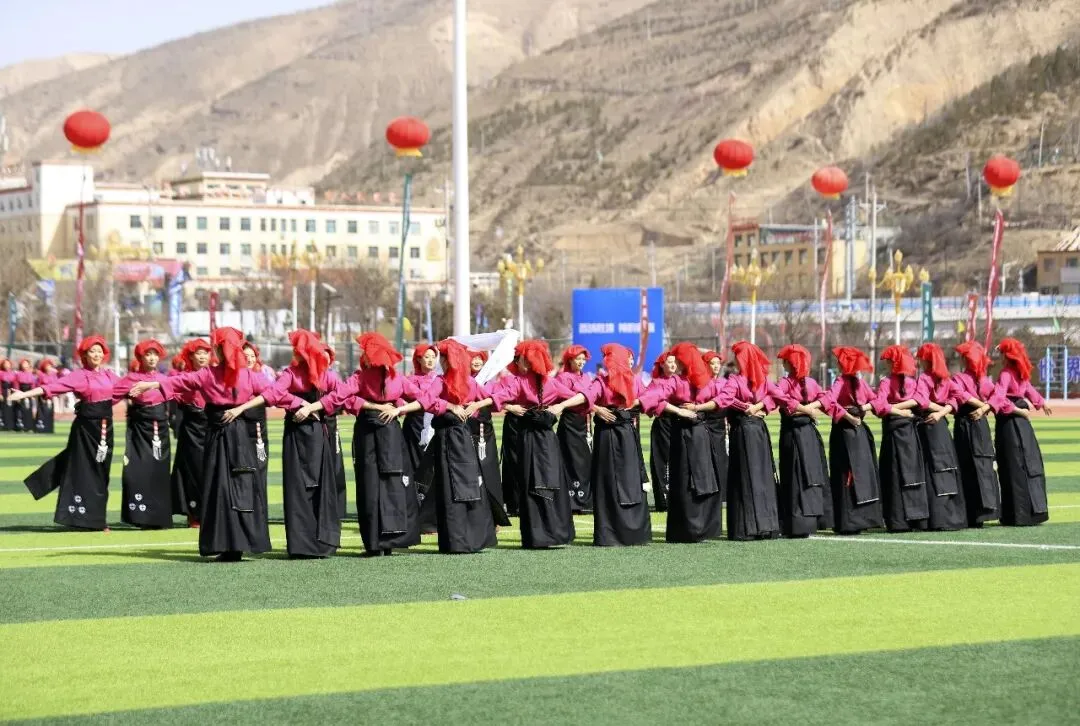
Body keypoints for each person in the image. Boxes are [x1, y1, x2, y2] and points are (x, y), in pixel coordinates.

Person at [130, 327, 282, 561]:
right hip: (239, 436)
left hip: (219, 436)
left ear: (219, 351)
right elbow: (275, 393)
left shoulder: (212, 374)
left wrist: (151, 385)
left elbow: (180, 381)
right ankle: (238, 543)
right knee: (239, 484)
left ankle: (225, 543)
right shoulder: (244, 375)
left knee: (219, 486)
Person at [294, 332, 424, 556]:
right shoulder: (398, 379)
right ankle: (389, 542)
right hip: (391, 433)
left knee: (369, 485)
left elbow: (337, 397)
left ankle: (374, 544)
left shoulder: (361, 378)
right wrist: (398, 409)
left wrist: (310, 407)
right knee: (392, 483)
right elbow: (425, 399)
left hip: (368, 434)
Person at [230, 330, 341, 558]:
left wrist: (314, 407)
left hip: (316, 433)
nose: (295, 354)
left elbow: (343, 394)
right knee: (296, 484)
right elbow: (274, 394)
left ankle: (320, 542)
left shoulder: (325, 375)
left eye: (297, 351)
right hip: (295, 433)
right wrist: (299, 403)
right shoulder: (290, 374)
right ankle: (304, 544)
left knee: (318, 483)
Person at [468, 340, 584, 549]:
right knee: (549, 479)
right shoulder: (549, 383)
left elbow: (496, 397)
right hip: (547, 439)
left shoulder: (522, 382)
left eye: (521, 358)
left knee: (531, 481)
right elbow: (581, 398)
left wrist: (478, 403)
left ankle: (537, 534)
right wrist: (560, 406)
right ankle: (555, 532)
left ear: (528, 361)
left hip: (530, 439)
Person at [15, 336, 119, 531]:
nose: (97, 355)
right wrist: (24, 394)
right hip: (86, 429)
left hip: (106, 429)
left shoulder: (110, 375)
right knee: (84, 471)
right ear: (85, 355)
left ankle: (94, 516)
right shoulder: (78, 376)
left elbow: (128, 389)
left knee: (101, 472)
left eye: (99, 351)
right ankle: (90, 519)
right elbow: (52, 388)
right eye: (92, 351)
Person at [416, 339, 498, 554]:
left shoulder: (444, 381)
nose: (440, 362)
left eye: (441, 358)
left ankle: (457, 540)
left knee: (452, 486)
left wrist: (473, 404)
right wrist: (452, 405)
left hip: (451, 440)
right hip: (461, 439)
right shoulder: (460, 381)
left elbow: (425, 400)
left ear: (446, 360)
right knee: (466, 483)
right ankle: (469, 538)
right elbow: (427, 400)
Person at [639, 342, 722, 543]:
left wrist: (694, 408)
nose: (675, 362)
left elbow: (655, 397)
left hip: (690, 433)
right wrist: (684, 409)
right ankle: (698, 528)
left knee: (689, 478)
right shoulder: (694, 381)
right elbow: (722, 400)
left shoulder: (681, 381)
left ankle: (689, 528)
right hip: (693, 433)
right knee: (693, 477)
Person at [587, 343, 651, 546]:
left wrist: (636, 403)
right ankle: (609, 533)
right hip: (606, 436)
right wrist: (597, 408)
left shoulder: (635, 380)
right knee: (607, 480)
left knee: (630, 478)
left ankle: (633, 532)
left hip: (626, 434)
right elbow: (584, 396)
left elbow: (651, 397)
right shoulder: (601, 381)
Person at [718, 341, 780, 541]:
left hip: (747, 430)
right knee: (758, 475)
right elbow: (777, 397)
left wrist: (754, 407)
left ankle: (747, 527)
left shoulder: (737, 380)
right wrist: (753, 407)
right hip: (754, 430)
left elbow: (726, 399)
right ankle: (764, 525)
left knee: (747, 475)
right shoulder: (757, 379)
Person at [112, 339, 173, 529]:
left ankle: (158, 516)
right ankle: (138, 515)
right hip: (139, 429)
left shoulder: (164, 379)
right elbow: (111, 396)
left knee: (158, 471)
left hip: (160, 429)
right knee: (135, 471)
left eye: (155, 354)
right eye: (148, 354)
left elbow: (181, 394)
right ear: (140, 357)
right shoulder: (131, 378)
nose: (152, 358)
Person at [773, 344, 833, 537]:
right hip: (806, 434)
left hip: (794, 435)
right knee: (807, 474)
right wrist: (808, 409)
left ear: (789, 364)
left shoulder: (789, 383)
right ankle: (811, 519)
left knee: (795, 476)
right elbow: (826, 399)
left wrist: (806, 407)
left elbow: (777, 395)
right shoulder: (806, 383)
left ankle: (797, 522)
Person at [826, 347, 884, 534]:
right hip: (859, 432)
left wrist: (849, 416)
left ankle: (847, 521)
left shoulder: (840, 381)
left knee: (845, 474)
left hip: (844, 432)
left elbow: (829, 402)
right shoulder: (861, 383)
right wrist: (862, 409)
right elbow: (878, 401)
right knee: (861, 473)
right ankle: (864, 518)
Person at [994, 337, 1051, 526]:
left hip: (1010, 423)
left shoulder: (1006, 374)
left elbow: (1000, 398)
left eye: (1002, 353)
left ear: (1007, 356)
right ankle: (1031, 512)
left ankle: (1015, 514)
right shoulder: (1020, 373)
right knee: (1026, 462)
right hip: (1023, 424)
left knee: (1012, 465)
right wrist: (1041, 403)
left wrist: (1018, 410)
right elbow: (1030, 390)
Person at [874, 345, 928, 532]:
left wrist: (895, 409)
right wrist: (905, 411)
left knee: (894, 473)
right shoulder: (914, 382)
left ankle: (897, 520)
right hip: (909, 432)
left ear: (892, 363)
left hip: (893, 432)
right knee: (912, 471)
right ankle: (917, 518)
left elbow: (880, 406)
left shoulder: (886, 382)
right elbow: (922, 401)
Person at [915, 343, 967, 531]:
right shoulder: (946, 379)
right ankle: (952, 515)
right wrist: (943, 412)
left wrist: (937, 411)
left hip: (928, 425)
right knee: (947, 465)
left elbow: (922, 401)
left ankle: (935, 517)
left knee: (930, 466)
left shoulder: (924, 378)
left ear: (926, 360)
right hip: (942, 427)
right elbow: (959, 397)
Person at [952, 342, 1003, 527]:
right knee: (983, 464)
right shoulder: (984, 380)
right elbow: (998, 396)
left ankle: (971, 513)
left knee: (967, 464)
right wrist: (984, 407)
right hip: (980, 424)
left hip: (966, 424)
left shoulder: (960, 378)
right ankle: (986, 510)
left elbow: (960, 394)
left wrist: (982, 407)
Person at [170, 339, 212, 527]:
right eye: (198, 353)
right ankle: (194, 513)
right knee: (194, 470)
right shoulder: (184, 377)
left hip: (212, 424)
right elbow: (173, 397)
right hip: (192, 428)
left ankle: (213, 511)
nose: (202, 356)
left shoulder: (215, 374)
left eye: (205, 352)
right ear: (191, 356)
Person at [467, 349, 511, 527]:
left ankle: (495, 516)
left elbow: (500, 401)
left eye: (480, 358)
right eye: (473, 358)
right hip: (466, 429)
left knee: (490, 471)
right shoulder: (462, 381)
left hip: (486, 430)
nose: (477, 361)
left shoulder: (490, 383)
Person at [555, 345, 594, 512]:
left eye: (583, 359)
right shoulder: (562, 377)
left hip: (586, 423)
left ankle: (586, 499)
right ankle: (572, 501)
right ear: (570, 360)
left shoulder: (587, 377)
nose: (581, 362)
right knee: (571, 460)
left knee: (586, 461)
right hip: (570, 423)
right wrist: (587, 400)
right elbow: (566, 396)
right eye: (578, 358)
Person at [406, 343, 441, 534]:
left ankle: (432, 512)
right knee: (416, 465)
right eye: (426, 357)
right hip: (415, 425)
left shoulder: (440, 379)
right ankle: (416, 511)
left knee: (434, 467)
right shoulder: (410, 380)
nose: (430, 360)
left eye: (433, 357)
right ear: (418, 359)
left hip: (435, 424)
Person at [322, 343, 349, 521]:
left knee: (335, 464)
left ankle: (338, 508)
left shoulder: (333, 377)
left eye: (327, 357)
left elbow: (343, 398)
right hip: (314, 426)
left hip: (330, 424)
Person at [242, 341, 273, 496]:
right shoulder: (234, 377)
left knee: (259, 465)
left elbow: (274, 394)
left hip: (257, 428)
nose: (249, 359)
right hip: (239, 427)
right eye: (245, 356)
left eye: (252, 356)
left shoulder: (261, 376)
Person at [646, 350, 675, 513]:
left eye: (674, 362)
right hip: (663, 424)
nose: (673, 365)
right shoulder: (656, 383)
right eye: (669, 362)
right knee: (662, 461)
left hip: (680, 424)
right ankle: (664, 500)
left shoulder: (680, 380)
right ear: (662, 365)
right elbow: (649, 405)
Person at [34, 359, 59, 434]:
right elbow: (38, 385)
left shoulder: (54, 375)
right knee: (42, 411)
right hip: (42, 395)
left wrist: (55, 395)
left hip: (51, 395)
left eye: (50, 366)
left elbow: (56, 385)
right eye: (47, 366)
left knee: (50, 411)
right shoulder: (41, 375)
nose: (48, 367)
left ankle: (49, 428)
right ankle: (41, 428)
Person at [12, 359, 36, 432]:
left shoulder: (31, 375)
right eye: (23, 363)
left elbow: (33, 385)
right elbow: (16, 385)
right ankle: (20, 427)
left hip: (29, 394)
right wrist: (17, 395)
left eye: (26, 363)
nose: (25, 365)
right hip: (20, 392)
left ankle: (29, 427)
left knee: (29, 410)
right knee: (20, 410)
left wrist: (33, 394)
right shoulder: (18, 374)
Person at [0, 358, 14, 431]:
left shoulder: (13, 373)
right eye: (5, 364)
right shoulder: (1, 373)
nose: (7, 365)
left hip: (10, 392)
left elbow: (14, 384)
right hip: (3, 392)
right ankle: (3, 425)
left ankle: (10, 426)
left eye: (8, 364)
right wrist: (0, 394)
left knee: (10, 409)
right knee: (3, 409)